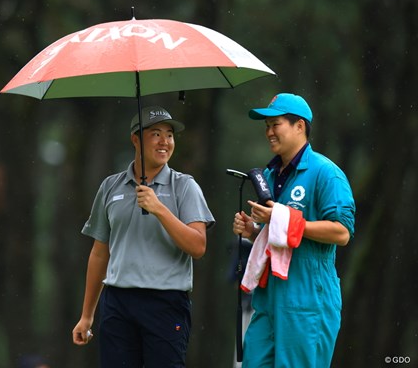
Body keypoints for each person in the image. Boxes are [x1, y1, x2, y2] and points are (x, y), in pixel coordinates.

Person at [72, 105, 215, 368]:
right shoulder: (110, 186)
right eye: (156, 134)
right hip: (117, 302)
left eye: (170, 135)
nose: (165, 142)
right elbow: (99, 252)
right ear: (135, 139)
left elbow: (198, 245)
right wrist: (87, 315)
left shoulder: (185, 186)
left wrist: (159, 209)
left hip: (166, 302)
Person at [232, 93, 356, 367]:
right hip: (269, 297)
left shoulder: (326, 172)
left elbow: (342, 233)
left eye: (275, 124)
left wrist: (282, 219)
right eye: (267, 126)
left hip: (308, 297)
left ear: (299, 126)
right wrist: (254, 230)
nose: (269, 132)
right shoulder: (270, 175)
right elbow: (277, 234)